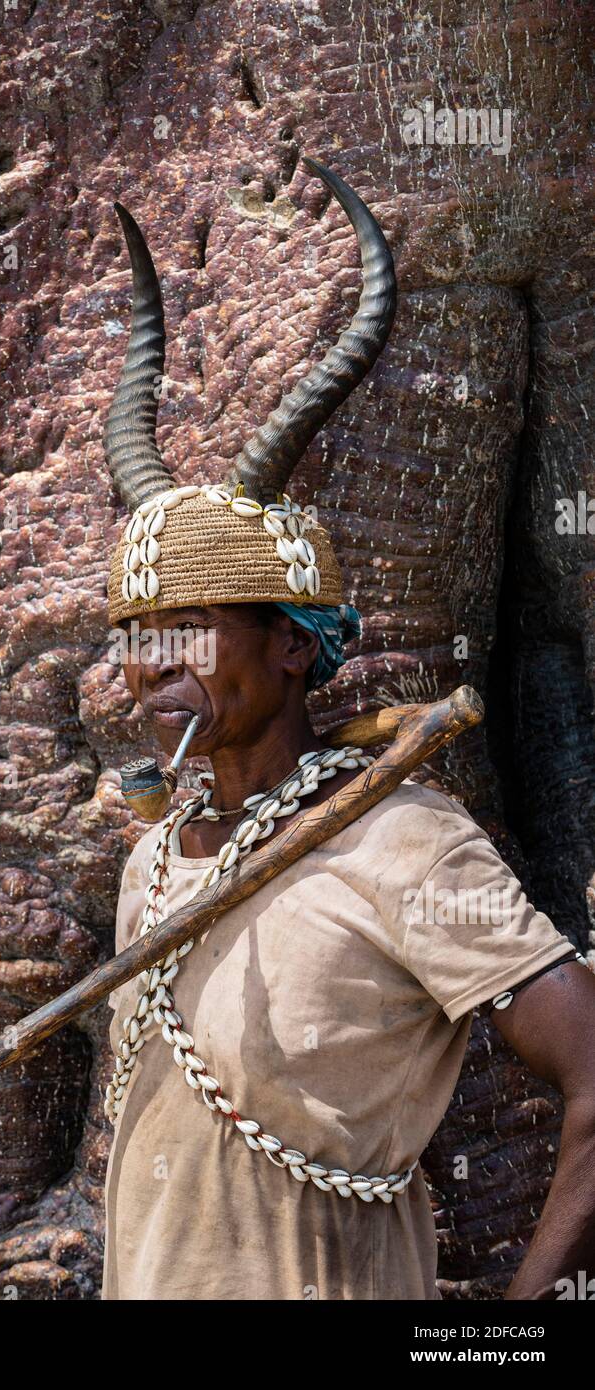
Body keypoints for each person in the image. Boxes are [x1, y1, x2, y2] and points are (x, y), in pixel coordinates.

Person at [99, 159, 595, 1301]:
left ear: (290, 647)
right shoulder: (148, 864)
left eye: (193, 626)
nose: (152, 663)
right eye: (136, 632)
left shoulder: (403, 842)